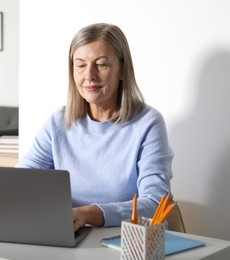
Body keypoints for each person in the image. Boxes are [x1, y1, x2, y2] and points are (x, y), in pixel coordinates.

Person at [16, 23, 173, 231]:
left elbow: (155, 204)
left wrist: (89, 213)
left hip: (124, 242)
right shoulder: (59, 122)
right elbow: (20, 180)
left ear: (122, 70)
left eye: (101, 64)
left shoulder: (148, 123)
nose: (89, 75)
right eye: (80, 65)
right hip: (67, 236)